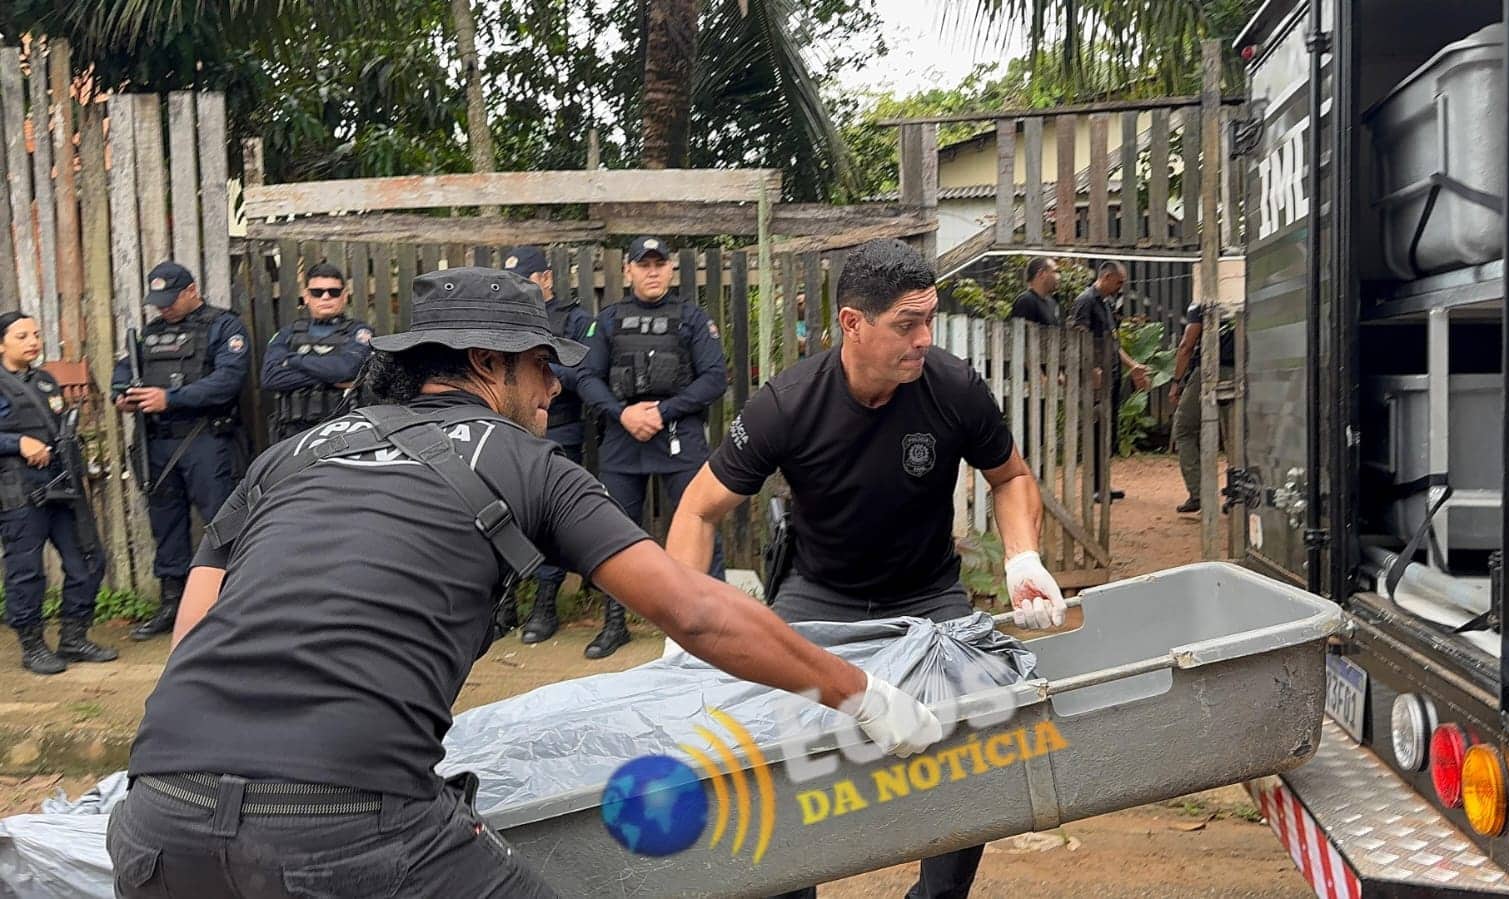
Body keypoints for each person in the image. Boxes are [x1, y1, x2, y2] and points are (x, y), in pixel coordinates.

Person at [108, 268, 942, 898]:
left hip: (154, 821)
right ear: (486, 363)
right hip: (350, 825)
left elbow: (195, 636)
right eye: (543, 366)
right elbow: (694, 610)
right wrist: (862, 693)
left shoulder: (288, 457)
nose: (554, 387)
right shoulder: (522, 462)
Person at [665, 238, 1074, 899]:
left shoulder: (952, 387)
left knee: (978, 729)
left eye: (929, 320)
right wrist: (683, 624)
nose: (925, 338)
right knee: (768, 742)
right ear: (852, 323)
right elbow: (697, 508)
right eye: (907, 324)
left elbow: (1011, 476)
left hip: (928, 593)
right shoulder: (788, 403)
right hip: (818, 594)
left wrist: (1022, 556)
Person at [575, 236, 729, 659]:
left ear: (671, 268)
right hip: (623, 436)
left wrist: (663, 411)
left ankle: (715, 622)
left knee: (700, 523)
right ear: (628, 270)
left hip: (679, 433)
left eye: (660, 264)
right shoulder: (608, 321)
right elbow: (587, 378)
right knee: (613, 533)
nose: (653, 272)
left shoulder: (692, 319)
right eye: (644, 265)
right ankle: (615, 622)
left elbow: (714, 378)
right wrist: (622, 414)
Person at [112, 261, 249, 641]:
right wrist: (121, 396)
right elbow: (122, 373)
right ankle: (172, 604)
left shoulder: (224, 326)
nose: (163, 307)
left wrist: (170, 398)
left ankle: (231, 605)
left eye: (170, 299)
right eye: (158, 302)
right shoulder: (150, 333)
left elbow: (227, 381)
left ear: (192, 291)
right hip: (158, 441)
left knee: (222, 523)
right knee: (166, 524)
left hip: (206, 440)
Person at [0, 313, 117, 674]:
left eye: (36, 334)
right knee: (26, 571)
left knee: (88, 557)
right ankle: (32, 645)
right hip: (19, 491)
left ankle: (74, 637)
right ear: (2, 344)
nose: (33, 341)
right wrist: (17, 442)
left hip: (62, 485)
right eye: (22, 336)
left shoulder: (46, 381)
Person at [501, 245, 595, 644]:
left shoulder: (574, 319)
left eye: (525, 281)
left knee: (552, 518)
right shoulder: (504, 321)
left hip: (560, 431)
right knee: (505, 515)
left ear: (546, 279)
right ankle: (505, 603)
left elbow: (583, 372)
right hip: (511, 430)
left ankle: (545, 602)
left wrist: (534, 364)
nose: (518, 290)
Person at [259, 262, 373, 443]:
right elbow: (270, 377)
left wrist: (294, 361)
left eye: (333, 292)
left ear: (344, 296)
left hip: (344, 433)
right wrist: (332, 378)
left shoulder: (359, 332)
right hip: (292, 435)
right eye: (317, 292)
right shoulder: (288, 334)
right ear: (306, 297)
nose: (326, 297)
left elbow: (348, 370)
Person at [1068, 260, 1150, 502]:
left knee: (1108, 431)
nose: (1121, 287)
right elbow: (1078, 336)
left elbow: (1113, 343)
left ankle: (1103, 483)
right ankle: (1094, 487)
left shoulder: (1107, 302)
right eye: (1118, 282)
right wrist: (1091, 368)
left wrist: (1132, 366)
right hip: (1095, 379)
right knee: (1096, 430)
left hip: (1110, 375)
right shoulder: (1085, 301)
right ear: (1106, 277)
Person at [1168, 300, 1236, 514]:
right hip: (1241, 368)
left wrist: (1176, 382)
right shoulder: (1239, 295)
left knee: (1183, 429)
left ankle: (1199, 493)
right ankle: (1237, 495)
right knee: (1235, 437)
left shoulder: (1201, 302)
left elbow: (1187, 344)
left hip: (1210, 369)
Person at [1008, 256, 1061, 326]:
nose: (1058, 277)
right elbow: (1020, 330)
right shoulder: (1025, 301)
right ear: (1041, 274)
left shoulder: (1051, 302)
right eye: (1054, 272)